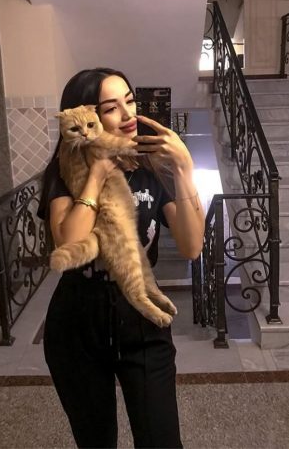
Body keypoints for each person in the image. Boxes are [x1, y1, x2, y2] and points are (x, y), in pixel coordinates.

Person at [37, 67, 204, 448]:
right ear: (88, 115)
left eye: (130, 101)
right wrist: (96, 174)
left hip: (141, 319)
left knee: (161, 441)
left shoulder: (150, 169)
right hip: (78, 322)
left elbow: (192, 246)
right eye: (111, 108)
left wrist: (184, 168)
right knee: (96, 441)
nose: (128, 114)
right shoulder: (63, 172)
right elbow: (69, 244)